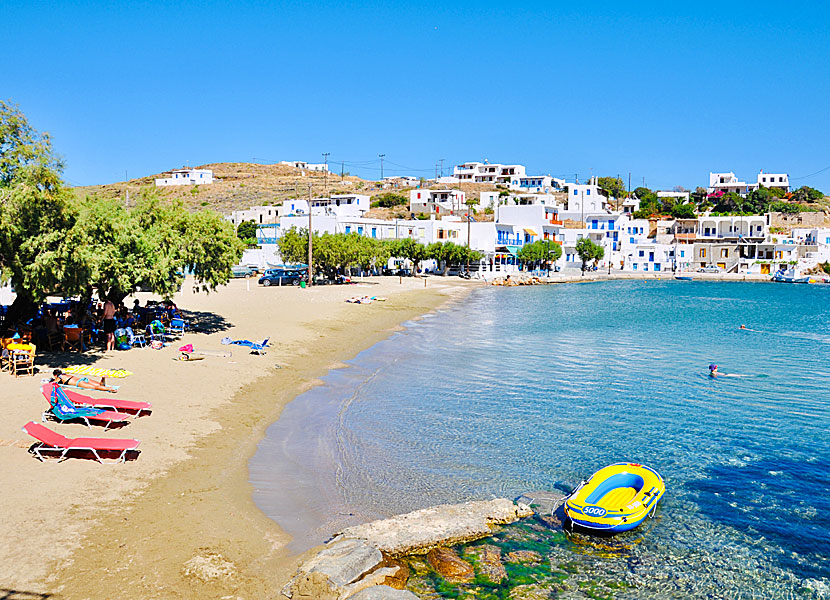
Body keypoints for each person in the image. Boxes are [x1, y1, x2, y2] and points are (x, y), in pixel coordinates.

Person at [51, 369, 117, 393]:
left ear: (55, 375)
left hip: (79, 383)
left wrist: (52, 380)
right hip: (84, 379)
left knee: (95, 387)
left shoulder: (59, 377)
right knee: (100, 385)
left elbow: (54, 383)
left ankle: (110, 389)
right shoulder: (65, 375)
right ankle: (103, 378)